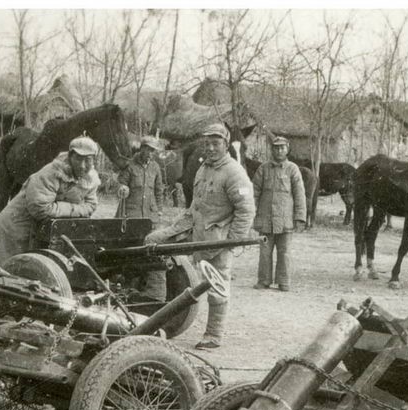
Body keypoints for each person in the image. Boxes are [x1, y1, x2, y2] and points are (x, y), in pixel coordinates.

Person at [145, 123, 255, 349]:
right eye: (207, 144)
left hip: (217, 237)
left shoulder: (234, 172)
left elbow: (246, 211)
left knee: (217, 285)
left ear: (226, 144)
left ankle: (213, 335)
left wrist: (231, 242)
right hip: (193, 228)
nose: (211, 148)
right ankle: (153, 307)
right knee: (153, 242)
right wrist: (175, 228)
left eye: (216, 144)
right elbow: (195, 204)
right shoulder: (203, 168)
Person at [0, 136, 100, 266]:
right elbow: (41, 209)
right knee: (1, 269)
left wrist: (63, 208)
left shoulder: (90, 179)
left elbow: (91, 205)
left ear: (94, 160)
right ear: (70, 157)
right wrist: (76, 208)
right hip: (15, 228)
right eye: (78, 159)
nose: (82, 166)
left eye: (88, 160)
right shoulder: (52, 173)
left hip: (40, 230)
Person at [251, 136, 307, 292]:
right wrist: (251, 215)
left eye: (282, 148)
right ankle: (264, 281)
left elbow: (300, 195)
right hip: (266, 220)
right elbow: (254, 193)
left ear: (287, 149)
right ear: (272, 150)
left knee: (285, 253)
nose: (279, 151)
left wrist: (300, 217)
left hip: (285, 220)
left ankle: (284, 281)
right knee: (264, 252)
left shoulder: (293, 169)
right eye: (276, 148)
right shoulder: (263, 169)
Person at [116, 135, 165, 300]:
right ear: (142, 148)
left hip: (150, 216)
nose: (150, 153)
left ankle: (145, 285)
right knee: (131, 249)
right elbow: (121, 183)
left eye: (153, 151)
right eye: (148, 149)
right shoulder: (130, 166)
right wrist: (122, 188)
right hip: (131, 215)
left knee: (149, 248)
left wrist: (159, 210)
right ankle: (128, 284)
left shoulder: (155, 167)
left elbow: (159, 190)